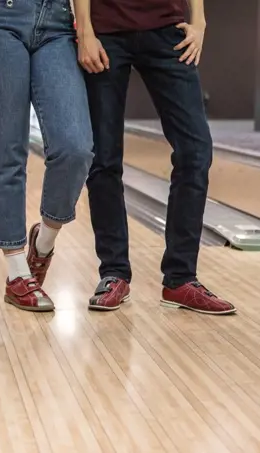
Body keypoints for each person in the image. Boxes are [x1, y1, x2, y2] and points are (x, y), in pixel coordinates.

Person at [75, 0, 236, 314]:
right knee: (104, 159)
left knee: (196, 151)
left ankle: (180, 278)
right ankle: (114, 272)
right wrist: (85, 31)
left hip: (167, 30)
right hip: (106, 31)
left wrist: (200, 22)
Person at [0, 0, 94, 312]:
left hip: (57, 22)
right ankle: (17, 273)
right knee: (7, 153)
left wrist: (86, 29)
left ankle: (44, 243)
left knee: (75, 148)